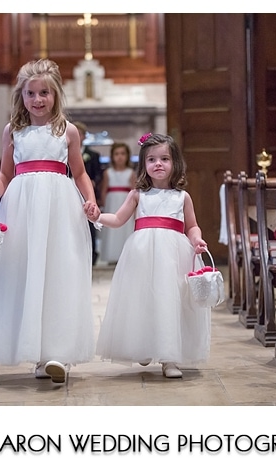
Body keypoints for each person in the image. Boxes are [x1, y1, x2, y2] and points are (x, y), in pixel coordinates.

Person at [0, 58, 99, 384]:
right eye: (31, 93)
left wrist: (91, 201)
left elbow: (80, 173)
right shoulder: (13, 131)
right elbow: (5, 174)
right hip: (21, 208)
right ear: (21, 96)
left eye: (45, 92)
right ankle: (35, 350)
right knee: (25, 274)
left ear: (55, 94)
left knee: (58, 272)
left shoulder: (66, 131)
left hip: (59, 207)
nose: (38, 100)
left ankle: (55, 353)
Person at [87, 133, 210, 379]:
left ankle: (169, 357)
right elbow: (119, 219)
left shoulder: (182, 197)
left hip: (174, 256)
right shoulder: (138, 195)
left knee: (170, 301)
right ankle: (142, 345)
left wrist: (196, 239)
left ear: (175, 163)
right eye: (151, 159)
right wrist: (97, 216)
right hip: (141, 255)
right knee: (141, 300)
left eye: (165, 159)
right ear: (143, 164)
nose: (158, 164)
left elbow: (191, 226)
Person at [98, 142, 135, 264]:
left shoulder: (131, 173)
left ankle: (125, 256)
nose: (120, 157)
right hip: (111, 202)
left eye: (123, 154)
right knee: (112, 228)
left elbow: (134, 190)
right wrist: (103, 204)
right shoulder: (108, 172)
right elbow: (104, 189)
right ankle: (111, 255)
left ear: (127, 156)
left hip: (126, 200)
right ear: (112, 156)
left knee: (125, 227)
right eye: (117, 154)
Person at [74, 121, 105, 265]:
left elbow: (99, 173)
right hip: (71, 190)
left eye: (80, 133)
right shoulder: (66, 152)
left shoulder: (93, 155)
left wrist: (93, 182)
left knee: (90, 221)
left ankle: (91, 255)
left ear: (84, 136)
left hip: (88, 191)